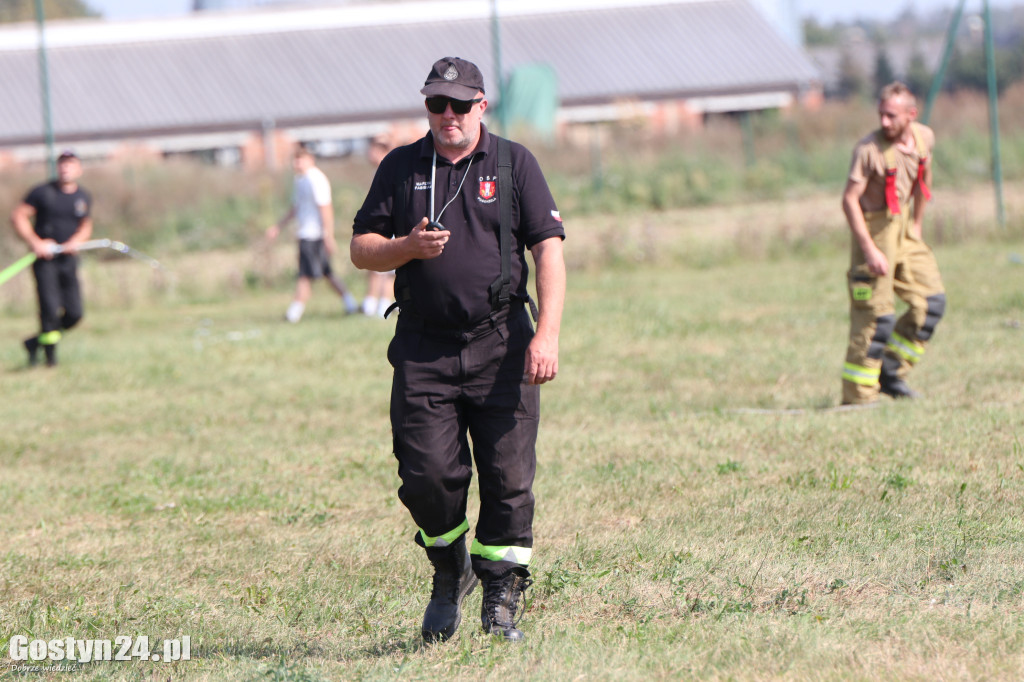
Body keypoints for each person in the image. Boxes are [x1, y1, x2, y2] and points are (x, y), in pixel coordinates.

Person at [351, 57, 566, 643]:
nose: (447, 115)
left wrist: (546, 333)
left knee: (508, 480)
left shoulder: (514, 162)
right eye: (435, 104)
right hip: (424, 348)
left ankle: (500, 597)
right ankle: (451, 570)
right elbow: (361, 249)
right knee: (426, 476)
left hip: (503, 345)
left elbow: (548, 249)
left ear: (481, 105)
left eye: (458, 104)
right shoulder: (400, 166)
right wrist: (405, 248)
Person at [841, 82, 946, 404]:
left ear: (911, 115)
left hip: (904, 230)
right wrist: (870, 250)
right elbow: (849, 200)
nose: (884, 122)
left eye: (891, 116)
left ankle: (890, 372)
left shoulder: (923, 138)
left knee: (930, 304)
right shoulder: (868, 150)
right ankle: (858, 398)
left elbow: (923, 181)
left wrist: (916, 224)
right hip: (874, 234)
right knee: (876, 317)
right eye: (881, 115)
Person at [10, 150, 93, 367]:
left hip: (68, 260)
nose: (66, 168)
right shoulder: (42, 192)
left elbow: (86, 225)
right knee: (49, 309)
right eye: (62, 164)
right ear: (57, 168)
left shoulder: (82, 196)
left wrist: (77, 241)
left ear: (79, 169)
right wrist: (35, 242)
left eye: (70, 164)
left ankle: (34, 342)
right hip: (45, 261)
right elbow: (19, 216)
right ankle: (50, 360)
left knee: (74, 313)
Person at [266, 144, 358, 322]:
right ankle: (350, 303)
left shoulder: (316, 179)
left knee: (305, 274)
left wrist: (328, 235)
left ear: (310, 160)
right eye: (295, 160)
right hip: (305, 233)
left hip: (314, 234)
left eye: (300, 159)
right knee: (326, 272)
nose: (296, 164)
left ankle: (293, 313)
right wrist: (278, 227)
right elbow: (296, 207)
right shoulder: (300, 180)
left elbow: (325, 208)